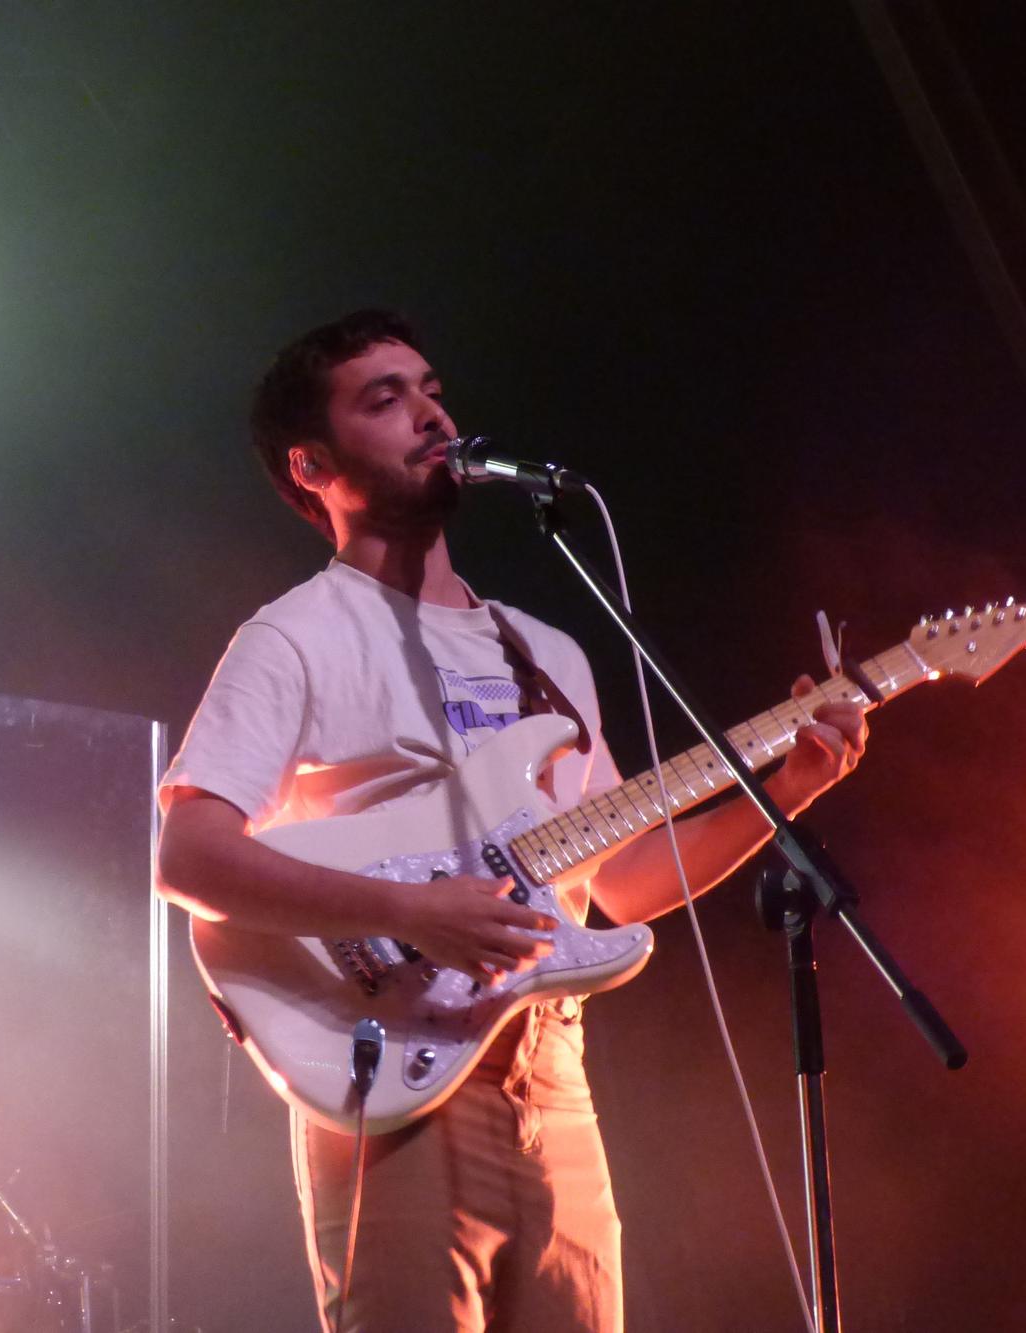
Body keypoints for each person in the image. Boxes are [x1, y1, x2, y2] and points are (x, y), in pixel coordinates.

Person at [156, 309, 869, 1332]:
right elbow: (188, 854)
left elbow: (618, 882)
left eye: (430, 387)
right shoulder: (294, 637)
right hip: (395, 1070)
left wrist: (788, 788)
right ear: (311, 466)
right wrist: (411, 907)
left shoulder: (543, 650)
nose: (429, 412)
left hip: (552, 1074)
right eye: (384, 397)